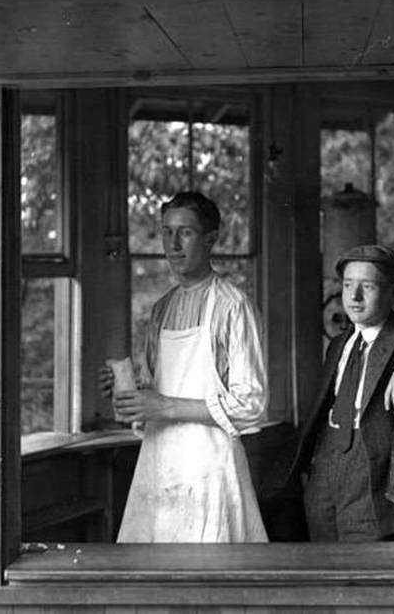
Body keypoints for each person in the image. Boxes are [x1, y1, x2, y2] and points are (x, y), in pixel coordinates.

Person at [100, 191, 268, 543]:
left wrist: (165, 406)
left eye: (185, 232)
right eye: (166, 232)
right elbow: (155, 388)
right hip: (159, 464)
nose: (173, 244)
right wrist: (129, 394)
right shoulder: (160, 310)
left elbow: (251, 405)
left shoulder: (233, 306)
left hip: (210, 468)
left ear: (210, 239)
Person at [289, 244, 394, 542]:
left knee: (366, 560)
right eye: (348, 285)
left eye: (367, 286)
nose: (354, 296)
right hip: (326, 466)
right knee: (324, 555)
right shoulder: (339, 344)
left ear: (393, 291)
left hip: (374, 476)